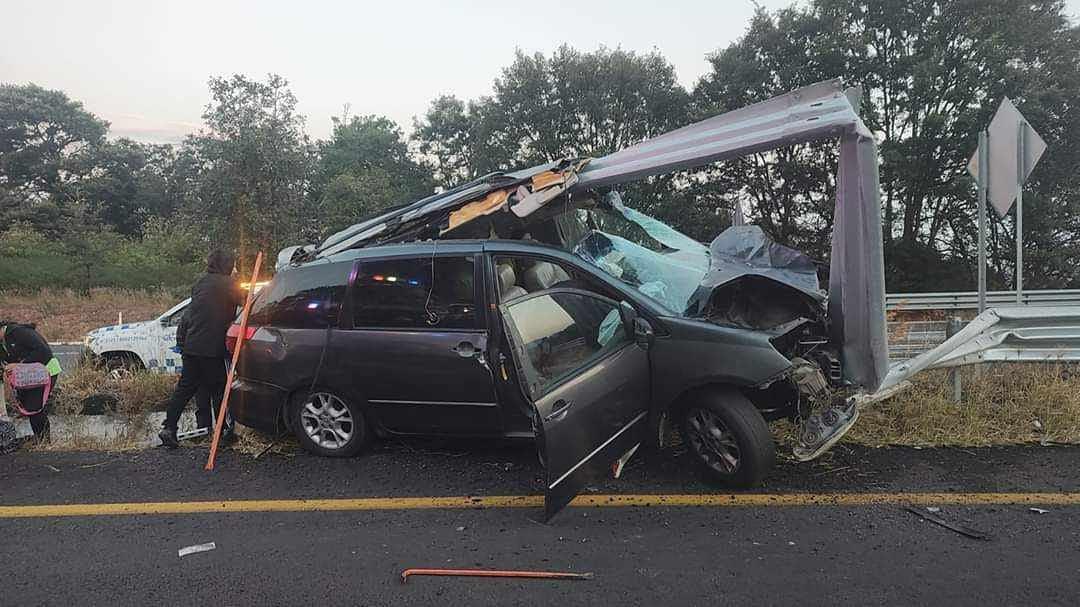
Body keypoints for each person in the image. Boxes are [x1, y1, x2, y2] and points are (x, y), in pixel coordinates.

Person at [159, 249, 245, 448]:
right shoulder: (228, 284)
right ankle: (223, 432)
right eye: (232, 264)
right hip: (212, 348)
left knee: (185, 389)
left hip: (192, 346)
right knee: (219, 389)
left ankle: (169, 427)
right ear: (226, 265)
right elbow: (246, 301)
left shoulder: (200, 283)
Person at [0, 321, 62, 442]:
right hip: (27, 377)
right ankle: (40, 440)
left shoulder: (19, 332)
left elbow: (43, 351)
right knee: (29, 407)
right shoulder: (2, 343)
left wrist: (18, 365)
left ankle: (44, 441)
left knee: (35, 407)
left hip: (47, 371)